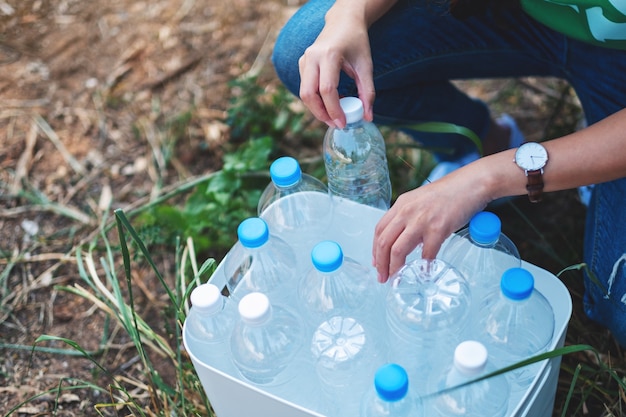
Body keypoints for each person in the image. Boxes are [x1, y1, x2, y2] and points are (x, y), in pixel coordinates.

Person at [272, 0, 626, 346]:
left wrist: (485, 179)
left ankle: (592, 141)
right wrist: (350, 13)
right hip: (527, 14)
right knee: (308, 49)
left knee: (619, 309)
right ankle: (482, 139)